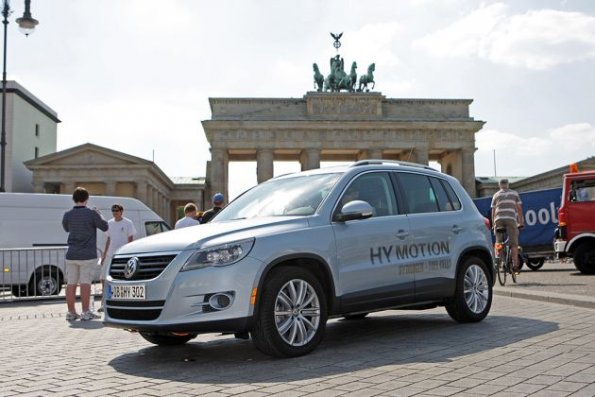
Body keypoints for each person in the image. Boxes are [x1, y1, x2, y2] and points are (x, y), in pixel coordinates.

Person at [62, 187, 108, 321]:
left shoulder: (68, 214)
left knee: (71, 284)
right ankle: (86, 312)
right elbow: (105, 227)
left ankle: (71, 312)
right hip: (87, 254)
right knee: (85, 283)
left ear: (74, 199)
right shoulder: (91, 213)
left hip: (72, 254)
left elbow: (66, 228)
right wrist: (100, 214)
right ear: (86, 199)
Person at [99, 204, 136, 311]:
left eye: (117, 210)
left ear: (121, 211)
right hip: (110, 254)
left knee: (122, 279)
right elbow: (108, 240)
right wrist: (104, 255)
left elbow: (130, 238)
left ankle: (124, 302)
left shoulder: (128, 223)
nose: (115, 212)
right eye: (113, 210)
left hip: (123, 255)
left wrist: (129, 254)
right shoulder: (109, 223)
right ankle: (104, 301)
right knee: (103, 278)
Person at [491, 178, 524, 273]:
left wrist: (494, 224)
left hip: (498, 220)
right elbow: (519, 209)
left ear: (499, 185)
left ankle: (501, 262)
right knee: (513, 243)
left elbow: (493, 210)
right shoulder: (514, 194)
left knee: (499, 242)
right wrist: (521, 223)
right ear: (508, 184)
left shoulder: (496, 195)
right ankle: (515, 265)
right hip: (511, 219)